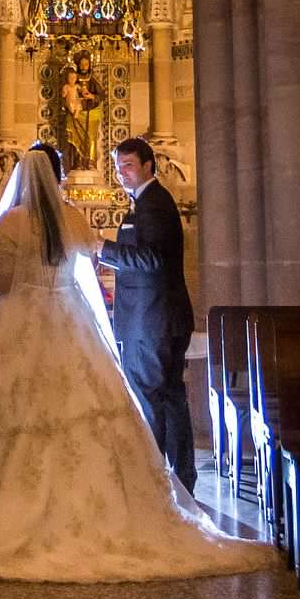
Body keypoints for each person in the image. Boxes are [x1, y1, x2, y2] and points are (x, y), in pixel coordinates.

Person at [0, 141, 262, 582]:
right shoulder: (72, 219)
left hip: (17, 324)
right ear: (59, 177)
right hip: (69, 321)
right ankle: (106, 508)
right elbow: (87, 260)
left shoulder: (11, 221)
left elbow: (2, 284)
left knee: (10, 409)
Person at [91, 135, 198, 491]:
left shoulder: (153, 204)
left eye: (129, 166)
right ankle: (179, 479)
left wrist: (102, 248)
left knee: (151, 397)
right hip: (155, 317)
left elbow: (151, 259)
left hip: (152, 320)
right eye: (119, 167)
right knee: (168, 396)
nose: (122, 174)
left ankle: (155, 483)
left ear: (148, 165)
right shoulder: (146, 202)